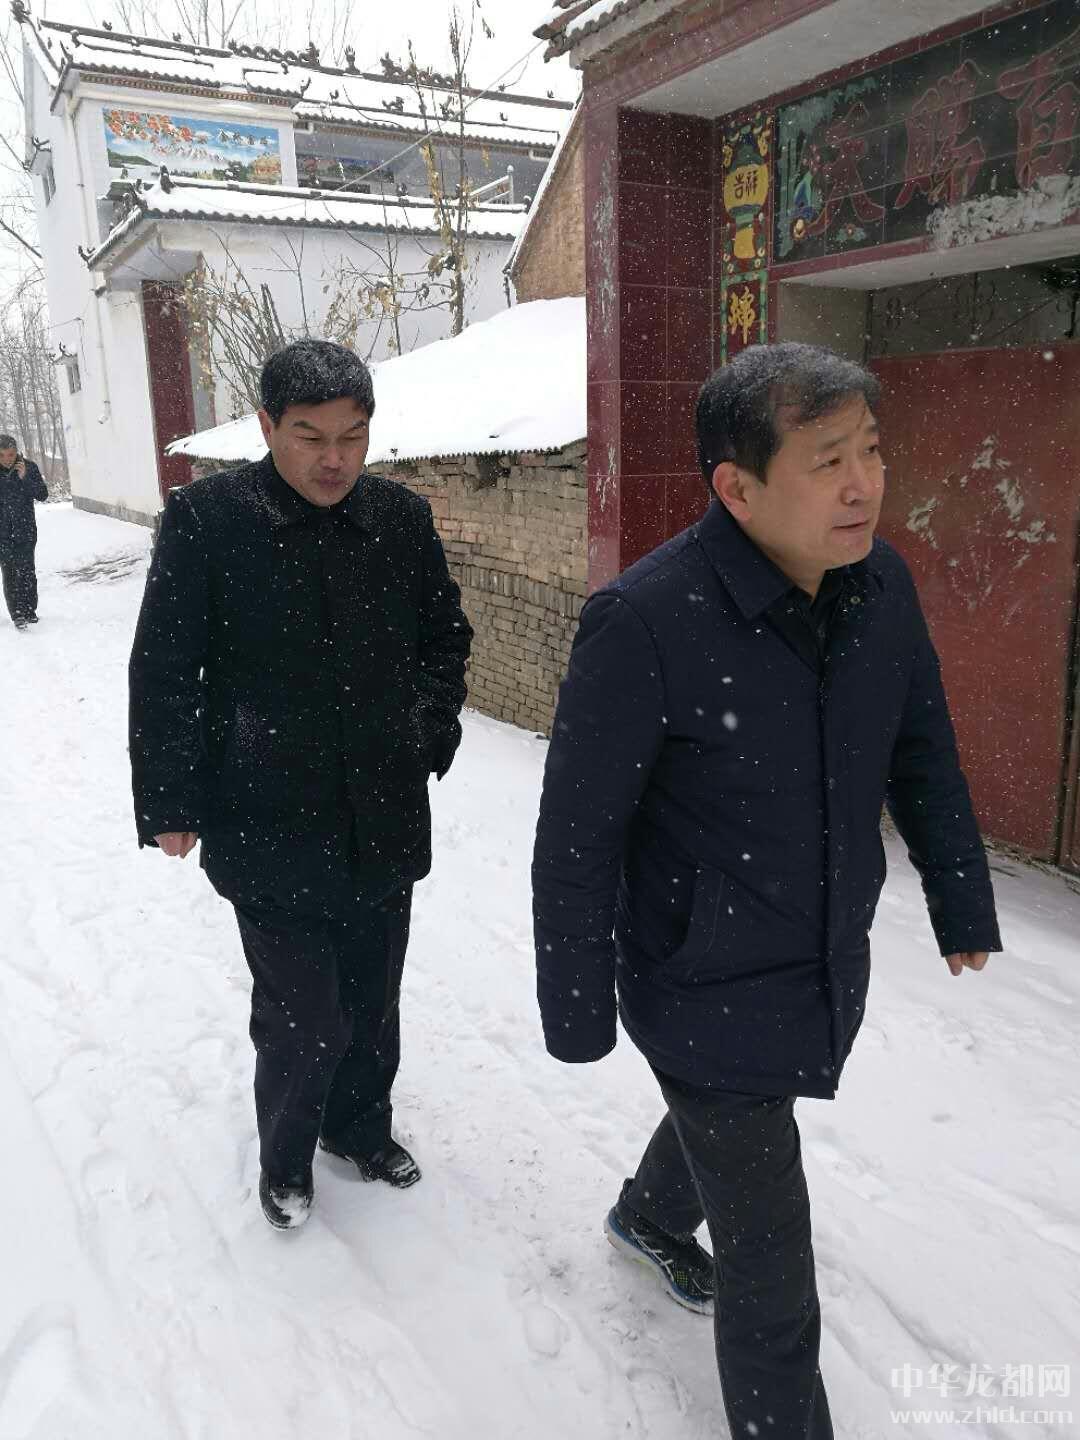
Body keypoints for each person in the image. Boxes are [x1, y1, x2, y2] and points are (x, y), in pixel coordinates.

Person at [532, 343, 1000, 1439]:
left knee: (741, 1117)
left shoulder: (880, 585)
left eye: (871, 451)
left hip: (819, 953)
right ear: (736, 489)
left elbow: (922, 748)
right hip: (698, 976)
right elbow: (578, 838)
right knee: (772, 1271)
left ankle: (651, 1215)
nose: (863, 484)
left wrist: (961, 897)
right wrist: (578, 1008)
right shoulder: (648, 620)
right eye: (828, 460)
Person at [129, 339, 472, 1230]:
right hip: (264, 809)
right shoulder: (208, 520)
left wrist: (425, 731)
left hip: (380, 810)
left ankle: (359, 1130)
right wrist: (169, 799)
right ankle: (285, 1158)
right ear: (266, 426)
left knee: (372, 999)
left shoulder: (399, 519)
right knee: (304, 1016)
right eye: (310, 436)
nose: (334, 460)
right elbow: (165, 669)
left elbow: (444, 638)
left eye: (353, 437)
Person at [0, 434, 49, 629]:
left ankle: (29, 610)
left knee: (27, 571)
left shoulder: (29, 467)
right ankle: (17, 614)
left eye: (10, 454)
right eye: (2, 455)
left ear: (16, 452)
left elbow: (42, 495)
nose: (7, 459)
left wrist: (25, 478)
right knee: (10, 573)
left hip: (25, 530)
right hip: (2, 533)